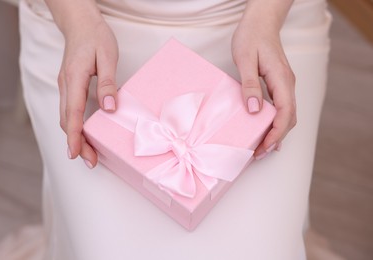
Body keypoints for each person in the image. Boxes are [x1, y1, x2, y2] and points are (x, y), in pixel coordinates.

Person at [18, 0, 331, 259]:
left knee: (263, 246)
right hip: (86, 22)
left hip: (261, 20)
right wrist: (77, 22)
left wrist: (266, 18)